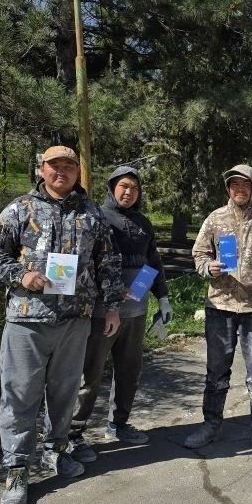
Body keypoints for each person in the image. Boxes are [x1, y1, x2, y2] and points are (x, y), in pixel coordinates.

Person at [0, 145, 123, 504]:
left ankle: (56, 451)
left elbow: (108, 261)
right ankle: (16, 468)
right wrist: (22, 275)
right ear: (41, 169)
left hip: (75, 321)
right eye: (54, 166)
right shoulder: (20, 209)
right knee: (19, 395)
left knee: (64, 395)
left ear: (78, 171)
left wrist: (111, 308)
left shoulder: (92, 213)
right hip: (27, 320)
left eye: (69, 166)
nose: (62, 172)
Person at [68, 166, 174, 462]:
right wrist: (111, 292)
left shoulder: (143, 222)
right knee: (90, 375)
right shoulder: (97, 217)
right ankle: (74, 434)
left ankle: (119, 423)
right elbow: (86, 263)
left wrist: (163, 297)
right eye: (124, 186)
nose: (129, 192)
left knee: (129, 370)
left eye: (135, 188)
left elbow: (154, 261)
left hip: (136, 312)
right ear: (112, 188)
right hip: (101, 313)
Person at [188, 164, 252, 455]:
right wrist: (209, 267)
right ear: (228, 189)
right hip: (220, 306)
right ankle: (211, 424)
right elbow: (199, 253)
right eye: (234, 185)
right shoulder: (215, 218)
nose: (239, 190)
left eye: (245, 185)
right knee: (216, 371)